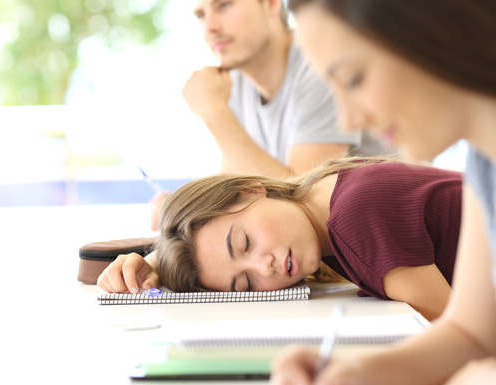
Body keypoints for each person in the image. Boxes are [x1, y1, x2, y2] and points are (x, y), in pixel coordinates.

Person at [269, 0, 496, 385]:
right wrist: (354, 374)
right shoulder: (491, 162)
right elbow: (473, 336)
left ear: (432, 28)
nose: (348, 119)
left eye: (352, 79)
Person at [98, 157, 462, 321]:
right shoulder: (325, 203)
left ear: (249, 190)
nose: (264, 266)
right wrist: (155, 264)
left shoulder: (354, 217)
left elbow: (462, 332)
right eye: (245, 283)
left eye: (244, 243)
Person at [149, 0, 387, 230]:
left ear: (272, 3)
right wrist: (182, 208)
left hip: (375, 237)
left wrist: (215, 114)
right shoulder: (233, 84)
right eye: (200, 14)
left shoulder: (320, 62)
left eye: (224, 5)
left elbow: (305, 202)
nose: (210, 27)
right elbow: (232, 186)